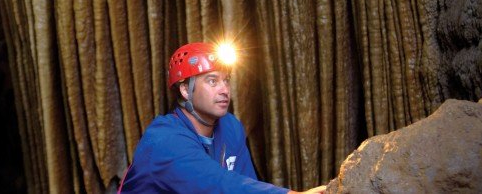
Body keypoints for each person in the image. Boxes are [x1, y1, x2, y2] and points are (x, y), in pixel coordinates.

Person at [118, 42, 326, 194]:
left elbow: (245, 180)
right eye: (212, 81)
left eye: (226, 80)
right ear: (185, 90)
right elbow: (216, 184)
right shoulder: (163, 140)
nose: (224, 89)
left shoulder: (230, 127)